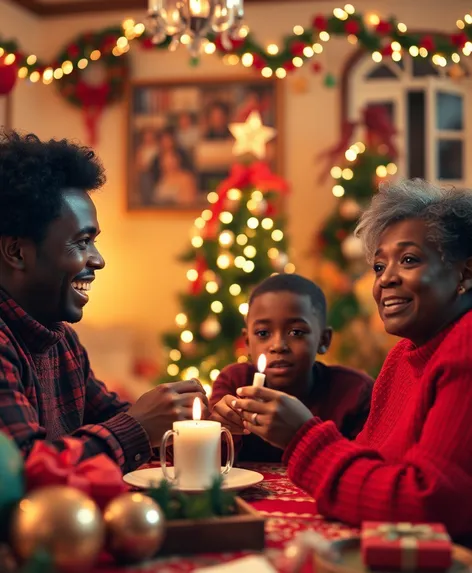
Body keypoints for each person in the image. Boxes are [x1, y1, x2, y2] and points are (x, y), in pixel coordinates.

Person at [232, 180, 472, 542]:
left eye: (408, 259)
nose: (386, 279)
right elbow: (369, 465)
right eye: (378, 266)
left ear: (465, 274)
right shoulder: (403, 357)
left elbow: (429, 504)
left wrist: (302, 435)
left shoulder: (465, 344)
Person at [0, 130, 207, 474]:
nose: (98, 260)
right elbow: (26, 472)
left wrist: (198, 423)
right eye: (82, 242)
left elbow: (114, 417)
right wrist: (139, 426)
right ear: (17, 251)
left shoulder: (60, 339)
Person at [210, 274, 373, 462]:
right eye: (263, 333)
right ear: (247, 342)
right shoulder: (234, 383)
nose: (278, 345)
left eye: (296, 332)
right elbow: (210, 465)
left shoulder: (354, 392)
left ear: (324, 340)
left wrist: (306, 435)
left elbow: (363, 466)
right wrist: (219, 431)